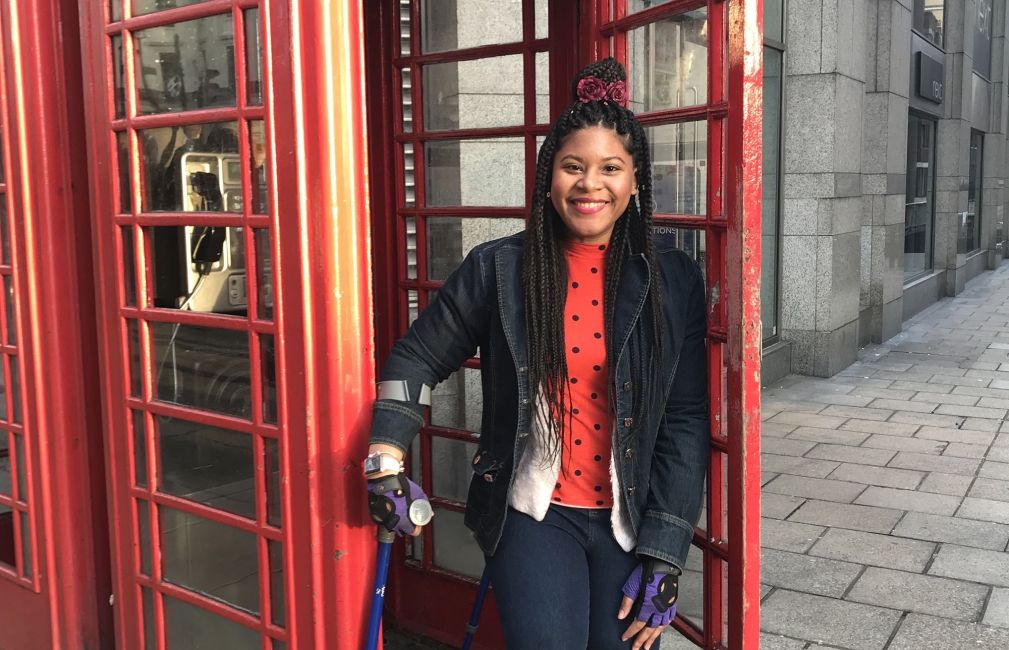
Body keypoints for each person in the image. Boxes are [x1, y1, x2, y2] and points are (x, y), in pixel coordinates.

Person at [364, 58, 710, 650]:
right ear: (549, 175)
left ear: (635, 181)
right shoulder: (499, 269)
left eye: (610, 168)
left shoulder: (672, 279)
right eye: (573, 166)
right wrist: (385, 454)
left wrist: (668, 550)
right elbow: (416, 359)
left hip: (630, 519)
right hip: (533, 512)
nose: (589, 185)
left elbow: (685, 417)